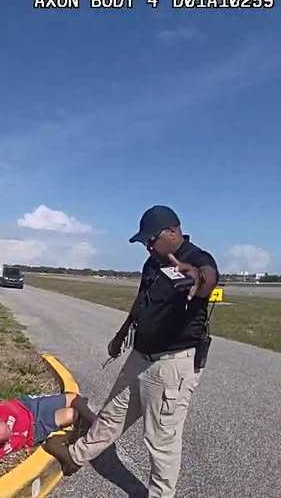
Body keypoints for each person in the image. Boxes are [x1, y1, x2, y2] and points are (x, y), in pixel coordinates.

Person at [59, 205, 219, 498]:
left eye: (151, 239)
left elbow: (208, 278)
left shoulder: (197, 258)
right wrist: (121, 334)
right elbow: (140, 299)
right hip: (140, 355)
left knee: (161, 442)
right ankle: (76, 456)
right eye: (144, 242)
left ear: (173, 232)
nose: (147, 246)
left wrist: (196, 275)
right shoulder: (153, 263)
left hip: (171, 365)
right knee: (112, 413)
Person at [0, 392, 94, 463]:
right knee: (71, 415)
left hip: (29, 408)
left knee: (73, 398)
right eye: (7, 437)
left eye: (7, 427)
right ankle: (80, 424)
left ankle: (94, 421)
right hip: (35, 431)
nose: (12, 432)